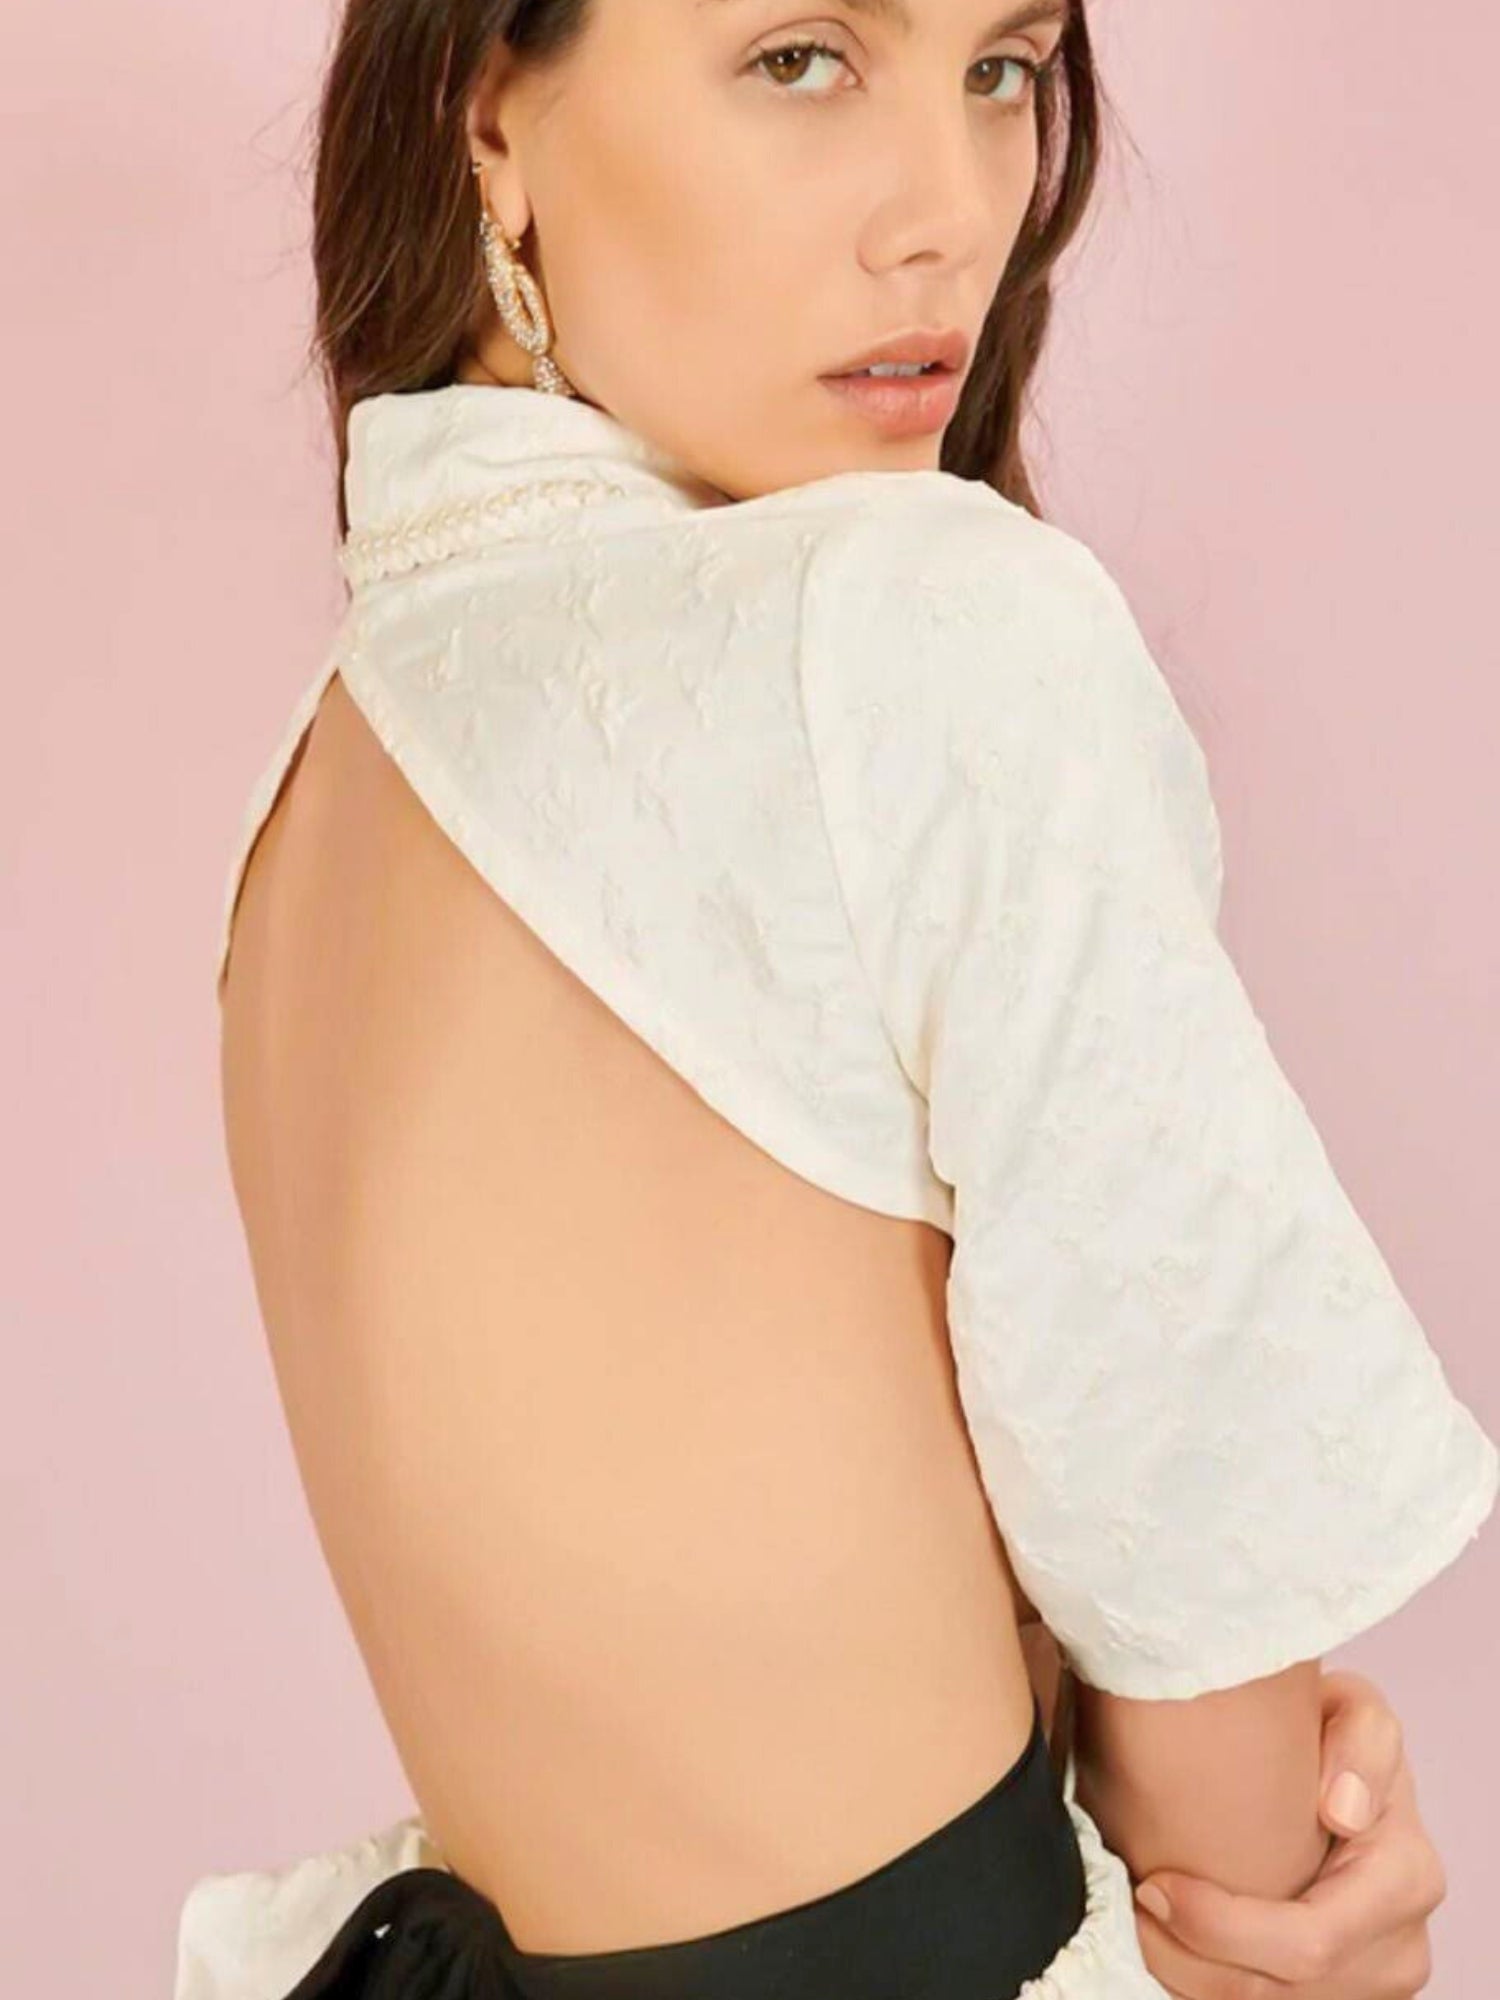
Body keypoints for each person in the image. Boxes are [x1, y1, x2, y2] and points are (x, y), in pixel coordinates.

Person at [178, 2, 1497, 1995]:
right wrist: (1288, 1886)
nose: (949, 215)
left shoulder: (323, 771)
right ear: (491, 125)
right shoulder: (921, 627)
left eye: (1003, 70)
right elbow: (1226, 1744)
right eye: (802, 59)